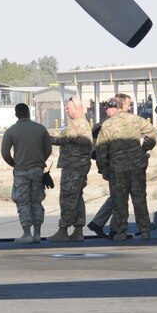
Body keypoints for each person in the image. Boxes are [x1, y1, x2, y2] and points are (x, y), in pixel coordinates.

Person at [95, 96, 157, 241]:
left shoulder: (107, 125)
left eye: (107, 108)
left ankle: (121, 232)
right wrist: (143, 149)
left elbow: (101, 149)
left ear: (113, 108)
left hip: (117, 169)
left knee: (120, 201)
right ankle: (145, 231)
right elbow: (151, 133)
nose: (106, 111)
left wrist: (103, 168)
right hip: (137, 167)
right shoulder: (135, 119)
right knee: (139, 199)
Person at [1, 103, 52, 243]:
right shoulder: (40, 129)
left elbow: (5, 153)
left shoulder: (11, 131)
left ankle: (26, 233)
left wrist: (14, 163)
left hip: (21, 171)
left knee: (23, 202)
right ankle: (37, 233)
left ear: (16, 114)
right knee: (37, 201)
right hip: (37, 170)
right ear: (28, 113)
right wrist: (40, 161)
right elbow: (48, 149)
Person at [48, 97, 93, 242]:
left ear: (77, 108)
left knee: (68, 198)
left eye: (68, 108)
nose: (67, 111)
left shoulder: (77, 125)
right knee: (76, 198)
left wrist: (43, 136)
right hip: (77, 166)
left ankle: (63, 230)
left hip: (74, 167)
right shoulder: (80, 124)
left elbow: (59, 140)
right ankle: (78, 230)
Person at [88, 93, 130, 238]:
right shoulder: (106, 126)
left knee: (117, 196)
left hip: (117, 166)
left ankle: (100, 223)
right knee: (119, 197)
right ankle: (115, 229)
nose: (128, 109)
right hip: (114, 166)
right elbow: (98, 150)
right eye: (127, 105)